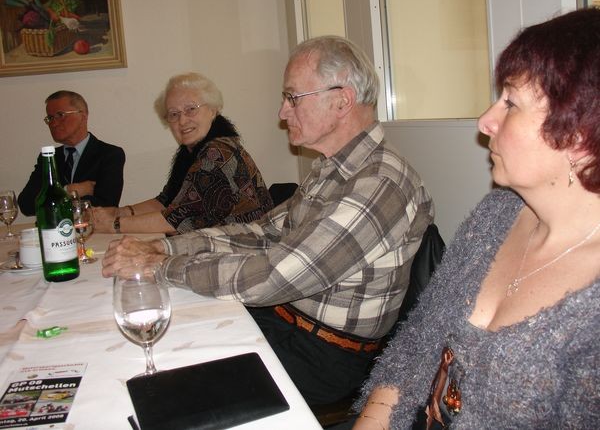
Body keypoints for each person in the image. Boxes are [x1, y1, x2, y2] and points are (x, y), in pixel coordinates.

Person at [102, 36, 433, 405]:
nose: (282, 112)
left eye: (293, 97)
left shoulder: (379, 184)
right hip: (285, 320)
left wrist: (162, 266)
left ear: (342, 100)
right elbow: (262, 233)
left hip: (323, 356)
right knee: (157, 341)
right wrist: (164, 247)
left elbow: (275, 276)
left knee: (169, 387)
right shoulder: (331, 169)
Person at [353, 8, 600, 430]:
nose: (486, 121)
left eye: (511, 103)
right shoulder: (496, 215)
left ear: (578, 135)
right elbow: (416, 347)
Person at [92, 72, 273, 235]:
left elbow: (178, 219)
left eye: (191, 109)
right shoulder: (192, 152)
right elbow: (166, 201)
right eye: (174, 114)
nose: (182, 120)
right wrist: (119, 212)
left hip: (245, 249)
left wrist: (113, 224)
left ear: (213, 110)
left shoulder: (217, 154)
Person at [18, 90, 125, 216]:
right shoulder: (48, 158)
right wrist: (69, 191)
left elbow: (106, 206)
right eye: (50, 118)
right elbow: (26, 204)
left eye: (60, 115)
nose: (53, 123)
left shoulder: (109, 154)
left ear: (83, 115)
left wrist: (51, 200)